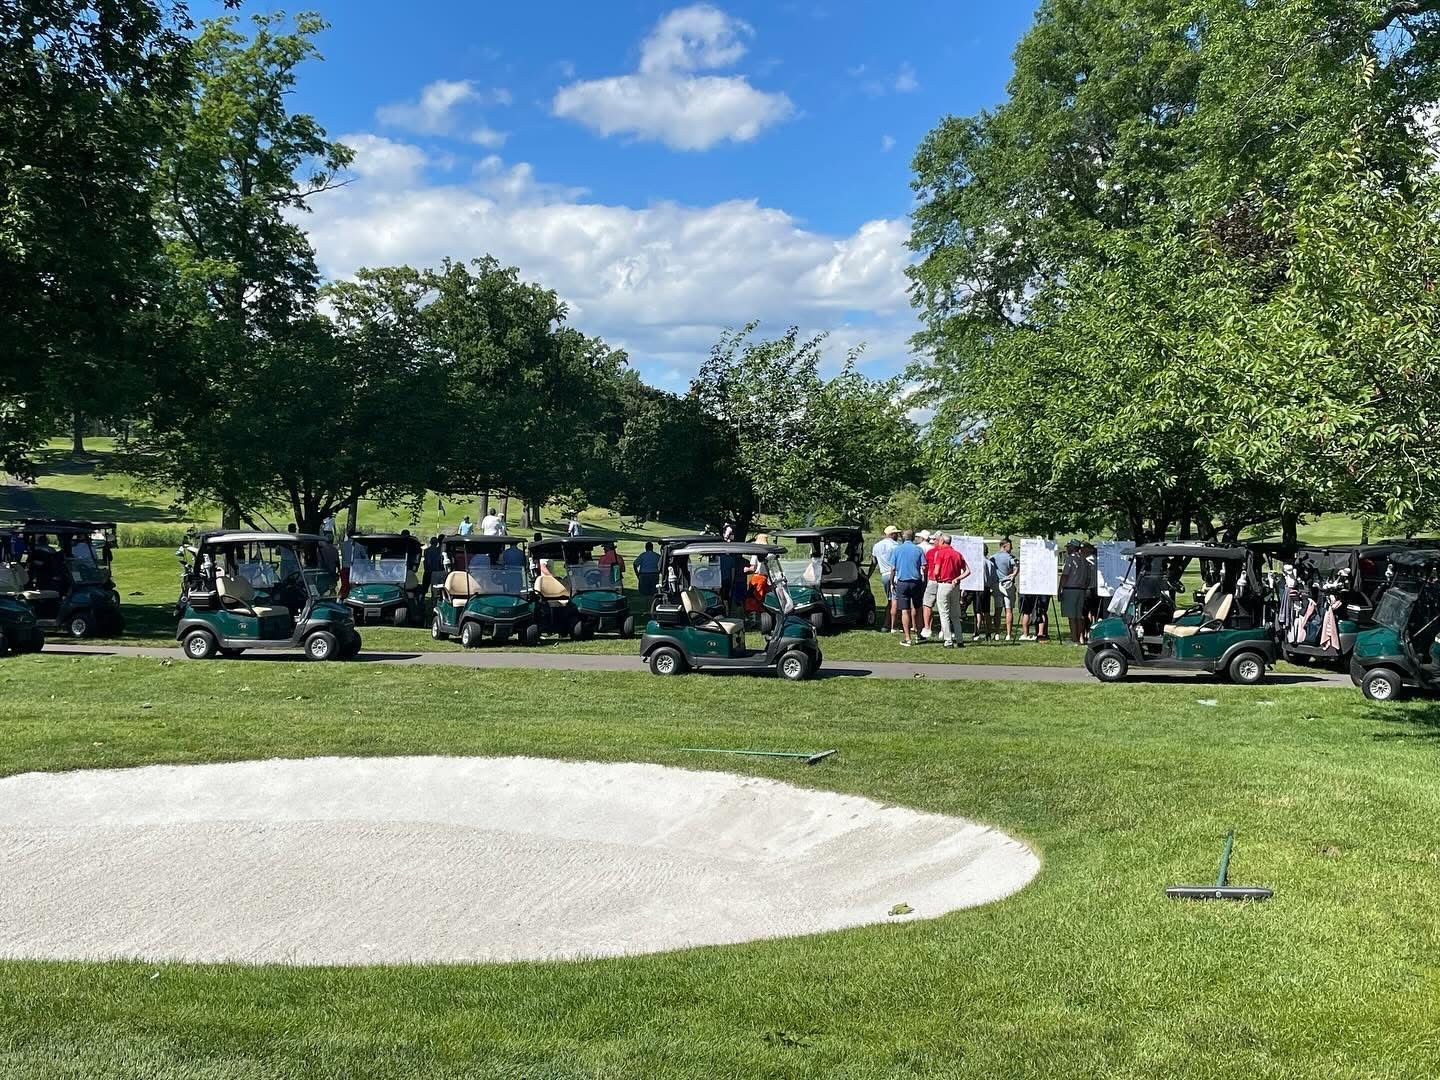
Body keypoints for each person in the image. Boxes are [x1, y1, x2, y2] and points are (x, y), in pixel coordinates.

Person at [928, 534, 969, 647]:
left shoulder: (940, 553)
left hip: (944, 584)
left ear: (942, 541)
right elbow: (967, 571)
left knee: (944, 613)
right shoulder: (957, 554)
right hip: (955, 586)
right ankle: (959, 640)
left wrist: (937, 578)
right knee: (955, 615)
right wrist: (957, 578)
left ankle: (948, 640)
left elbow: (936, 571)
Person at [891, 529, 926, 647]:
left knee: (905, 610)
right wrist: (924, 581)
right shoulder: (918, 549)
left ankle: (907, 638)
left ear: (903, 538)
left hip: (902, 582)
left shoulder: (897, 550)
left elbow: (893, 568)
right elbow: (924, 567)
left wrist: (892, 582)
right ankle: (919, 634)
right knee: (918, 608)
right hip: (916, 582)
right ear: (913, 538)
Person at [871, 525, 901, 632]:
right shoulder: (896, 546)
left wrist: (869, 575)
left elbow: (874, 562)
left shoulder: (877, 546)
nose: (898, 535)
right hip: (895, 574)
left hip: (884, 575)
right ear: (892, 534)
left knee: (889, 600)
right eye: (896, 533)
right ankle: (892, 625)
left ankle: (887, 623)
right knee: (895, 601)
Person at [1060, 539, 1089, 645]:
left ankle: (1074, 639)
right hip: (1081, 590)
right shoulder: (1085, 560)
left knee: (1072, 616)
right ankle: (1080, 637)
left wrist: (1060, 589)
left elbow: (1065, 575)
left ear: (1073, 547)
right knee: (1079, 616)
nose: (1067, 549)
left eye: (1069, 547)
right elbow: (1088, 578)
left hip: (1070, 589)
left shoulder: (1070, 559)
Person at [991, 538, 1018, 641]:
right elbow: (1016, 568)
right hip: (1007, 584)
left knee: (998, 610)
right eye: (1010, 546)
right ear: (1005, 546)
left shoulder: (993, 557)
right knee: (1009, 610)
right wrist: (1013, 574)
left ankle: (997, 633)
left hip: (997, 585)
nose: (1012, 548)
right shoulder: (1011, 558)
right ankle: (1008, 634)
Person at [421, 536, 444, 605]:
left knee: (424, 588)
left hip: (427, 571)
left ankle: (421, 601)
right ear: (436, 543)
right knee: (435, 589)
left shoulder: (426, 550)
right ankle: (433, 603)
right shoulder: (439, 550)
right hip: (436, 571)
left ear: (430, 542)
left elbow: (426, 562)